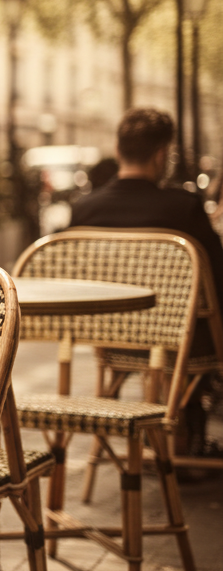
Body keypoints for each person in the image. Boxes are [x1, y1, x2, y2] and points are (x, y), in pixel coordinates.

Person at [69, 107, 223, 457]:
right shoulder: (183, 208)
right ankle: (187, 437)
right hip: (184, 344)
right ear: (161, 155)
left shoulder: (85, 210)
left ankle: (172, 438)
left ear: (118, 148)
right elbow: (216, 277)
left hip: (111, 340)